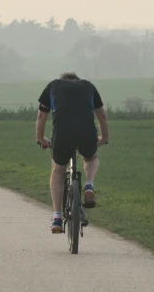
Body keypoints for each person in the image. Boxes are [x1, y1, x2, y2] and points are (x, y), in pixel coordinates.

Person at [35, 72, 109, 233]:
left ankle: (56, 217)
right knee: (90, 157)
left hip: (62, 135)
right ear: (77, 79)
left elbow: (41, 116)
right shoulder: (88, 86)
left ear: (62, 80)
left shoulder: (53, 86)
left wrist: (41, 139)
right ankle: (89, 185)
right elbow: (102, 115)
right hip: (87, 133)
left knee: (58, 171)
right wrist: (104, 138)